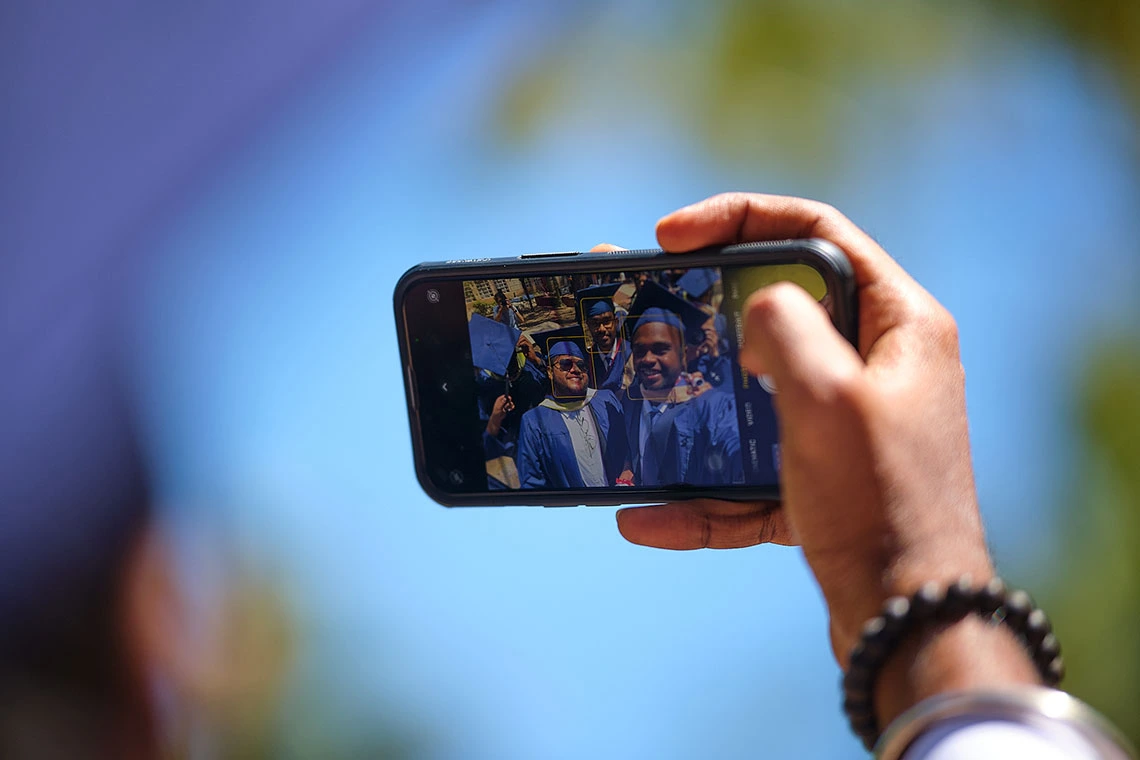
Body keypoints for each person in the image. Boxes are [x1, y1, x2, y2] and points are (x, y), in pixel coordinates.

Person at [608, 193, 1135, 759]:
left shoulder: (705, 408)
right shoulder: (626, 418)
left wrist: (905, 576)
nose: (651, 362)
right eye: (639, 353)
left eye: (661, 348)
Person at [623, 283, 743, 487]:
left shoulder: (709, 406)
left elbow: (734, 446)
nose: (648, 359)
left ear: (684, 354)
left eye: (661, 349)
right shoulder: (628, 402)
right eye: (640, 351)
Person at [516, 328, 633, 489]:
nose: (575, 369)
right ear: (550, 372)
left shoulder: (605, 399)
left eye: (581, 365)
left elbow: (630, 444)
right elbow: (532, 482)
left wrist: (628, 469)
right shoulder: (535, 421)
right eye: (565, 364)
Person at [575, 283, 632, 394]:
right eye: (595, 323)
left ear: (615, 322)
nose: (601, 329)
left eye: (606, 322)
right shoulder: (586, 360)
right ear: (588, 326)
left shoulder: (632, 353)